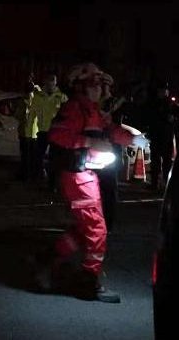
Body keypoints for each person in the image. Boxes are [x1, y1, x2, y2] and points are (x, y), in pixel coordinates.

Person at [39, 62, 147, 303]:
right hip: (77, 176)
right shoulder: (75, 108)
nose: (100, 89)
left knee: (84, 228)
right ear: (81, 87)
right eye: (95, 84)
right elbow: (58, 134)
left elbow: (110, 130)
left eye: (101, 85)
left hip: (87, 176)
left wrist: (133, 139)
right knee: (97, 229)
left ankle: (48, 258)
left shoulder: (92, 110)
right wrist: (89, 143)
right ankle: (88, 282)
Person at [29, 74, 68, 185]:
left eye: (53, 81)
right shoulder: (38, 97)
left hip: (56, 132)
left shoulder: (62, 97)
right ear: (45, 82)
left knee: (54, 158)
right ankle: (38, 177)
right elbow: (32, 115)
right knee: (38, 156)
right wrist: (29, 132)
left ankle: (52, 182)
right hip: (42, 131)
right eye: (49, 80)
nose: (51, 83)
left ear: (56, 82)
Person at [144, 81, 179, 191]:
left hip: (166, 136)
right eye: (161, 90)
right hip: (157, 135)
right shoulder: (154, 103)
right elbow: (149, 117)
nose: (163, 92)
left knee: (166, 162)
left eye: (165, 90)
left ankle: (166, 184)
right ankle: (155, 184)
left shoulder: (171, 104)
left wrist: (173, 119)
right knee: (156, 161)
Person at [97, 72, 121, 232]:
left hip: (110, 150)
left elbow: (117, 127)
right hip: (94, 149)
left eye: (105, 85)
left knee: (109, 187)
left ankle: (108, 222)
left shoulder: (114, 103)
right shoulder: (91, 103)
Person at [16, 76, 39, 181]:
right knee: (32, 156)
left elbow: (18, 115)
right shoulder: (37, 100)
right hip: (33, 133)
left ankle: (25, 175)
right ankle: (30, 175)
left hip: (25, 133)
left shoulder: (23, 101)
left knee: (25, 156)